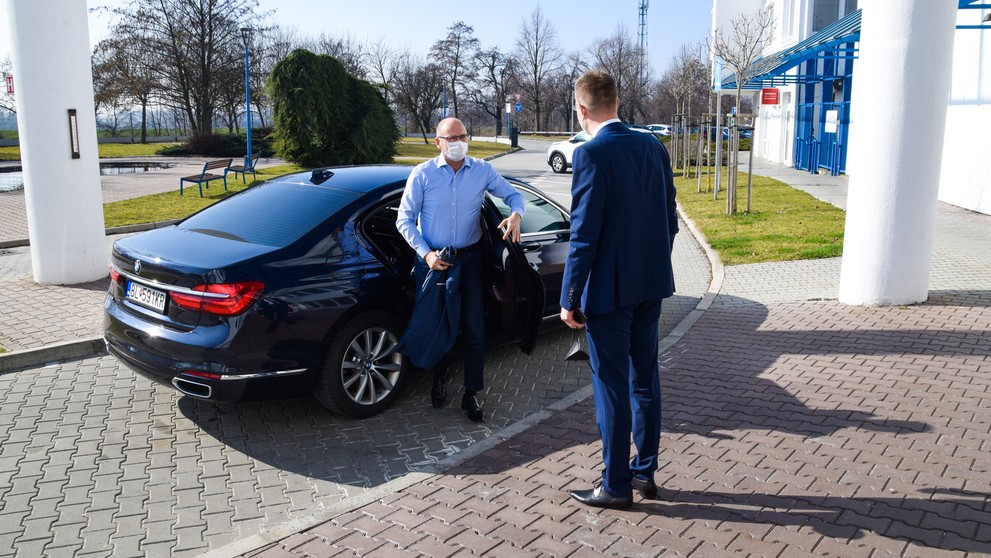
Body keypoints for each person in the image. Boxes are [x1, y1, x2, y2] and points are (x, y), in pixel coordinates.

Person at [560, 70, 678, 509]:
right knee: (644, 380)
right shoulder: (653, 146)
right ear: (618, 102)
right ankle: (644, 471)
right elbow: (669, 220)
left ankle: (615, 484)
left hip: (609, 295)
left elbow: (583, 236)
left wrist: (569, 299)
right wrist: (653, 267)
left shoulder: (591, 154)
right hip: (651, 285)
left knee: (611, 388)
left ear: (581, 109)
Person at [397, 117, 525, 422]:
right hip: (433, 261)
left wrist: (516, 215)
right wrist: (427, 254)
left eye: (462, 136)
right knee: (439, 324)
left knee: (475, 327)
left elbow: (514, 196)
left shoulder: (482, 170)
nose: (458, 143)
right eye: (451, 138)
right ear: (438, 143)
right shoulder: (423, 174)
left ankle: (472, 393)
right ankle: (439, 378)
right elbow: (404, 220)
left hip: (469, 261)